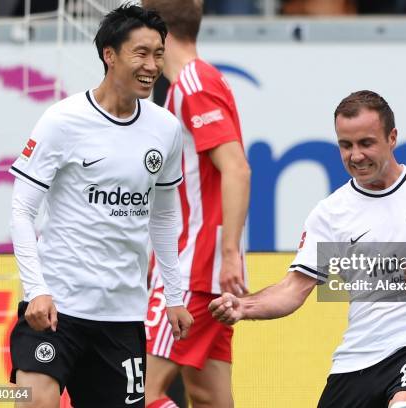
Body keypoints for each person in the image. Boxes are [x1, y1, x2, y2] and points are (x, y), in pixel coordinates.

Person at [210, 90, 406, 408]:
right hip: (356, 360)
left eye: (366, 143)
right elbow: (293, 288)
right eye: (346, 145)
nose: (356, 155)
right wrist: (244, 307)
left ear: (392, 138)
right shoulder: (330, 213)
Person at [7, 5, 193, 407]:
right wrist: (36, 290)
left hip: (122, 316)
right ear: (110, 54)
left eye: (158, 54)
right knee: (35, 401)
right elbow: (22, 210)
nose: (152, 65)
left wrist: (174, 297)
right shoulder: (62, 121)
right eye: (140, 53)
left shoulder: (165, 129)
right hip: (57, 308)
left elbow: (163, 216)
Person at [140, 1, 251, 407]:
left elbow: (237, 169)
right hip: (203, 271)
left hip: (191, 272)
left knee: (136, 394)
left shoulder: (192, 84)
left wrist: (227, 254)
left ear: (154, 32)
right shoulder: (195, 82)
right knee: (207, 396)